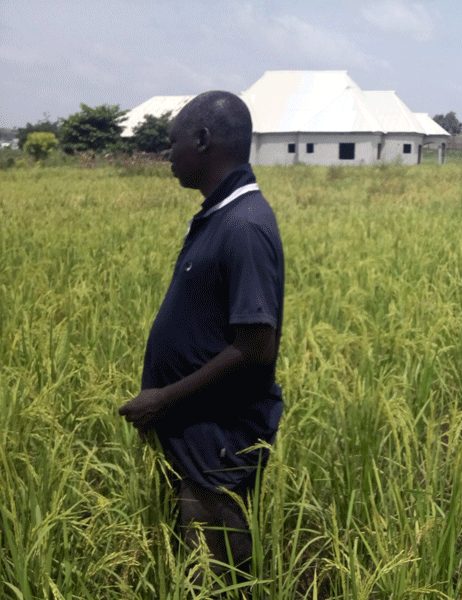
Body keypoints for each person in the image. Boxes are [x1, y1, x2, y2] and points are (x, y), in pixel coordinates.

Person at [118, 90, 284, 575]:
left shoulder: (243, 226)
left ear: (203, 140)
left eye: (173, 144)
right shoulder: (222, 216)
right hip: (194, 434)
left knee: (222, 573)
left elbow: (256, 346)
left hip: (218, 440)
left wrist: (164, 398)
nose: (168, 157)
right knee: (193, 566)